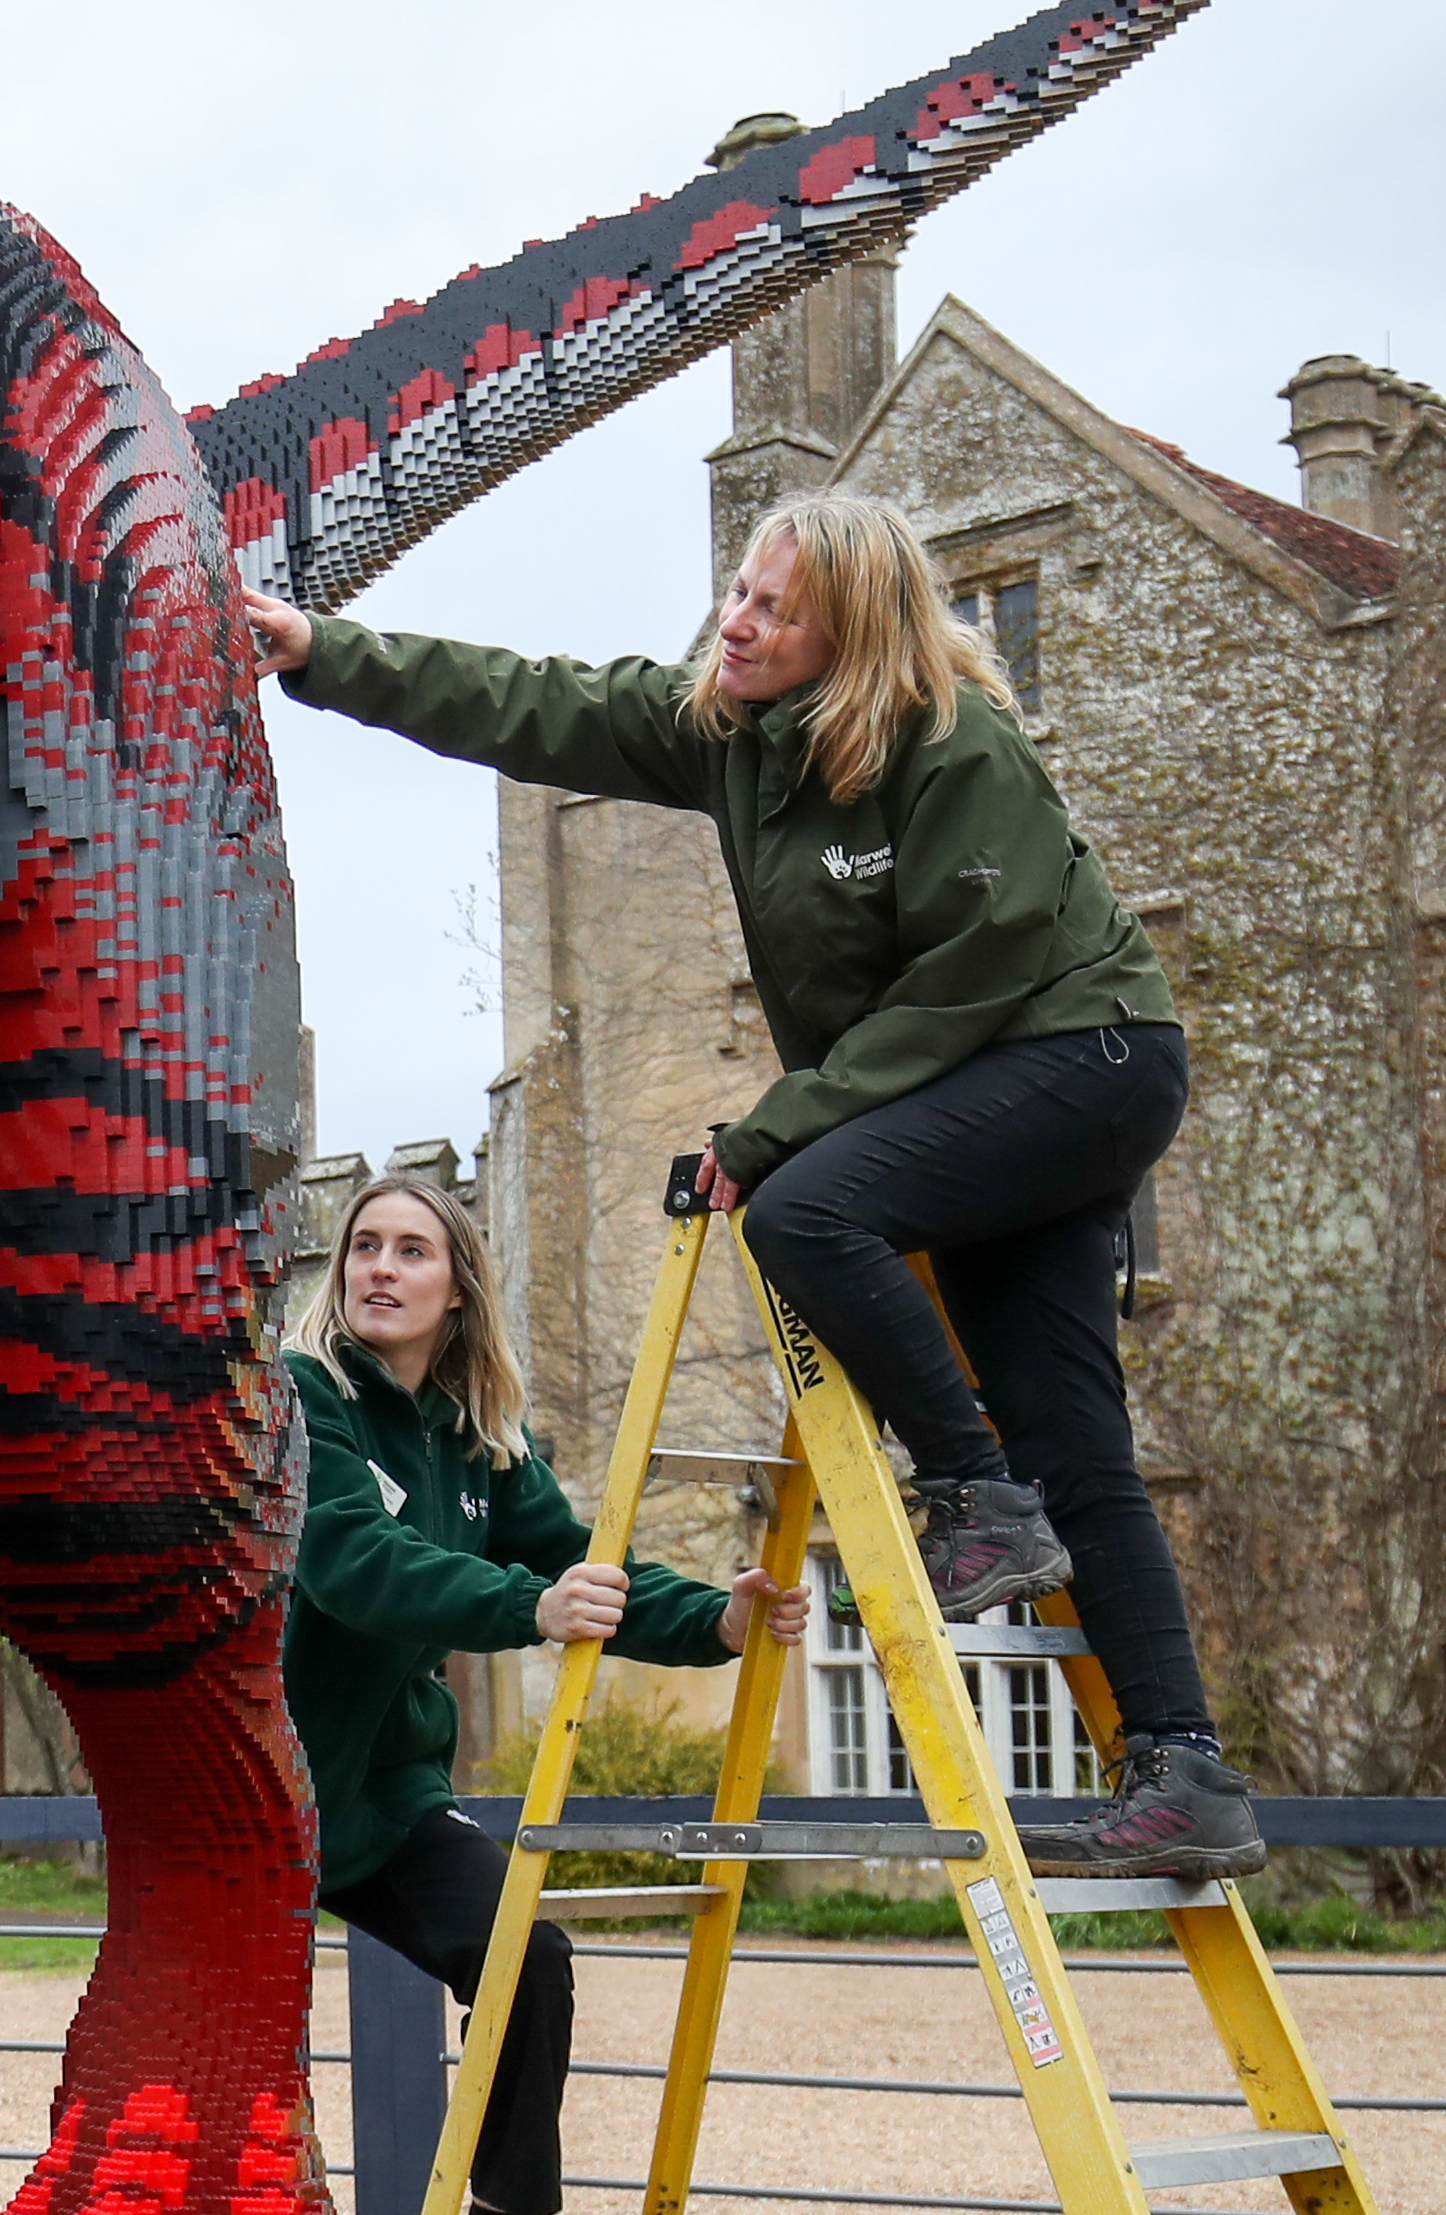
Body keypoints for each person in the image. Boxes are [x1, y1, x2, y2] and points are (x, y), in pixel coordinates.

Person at [238, 490, 1264, 1881]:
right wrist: (316, 649)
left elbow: (973, 976)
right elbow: (532, 703)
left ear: (852, 637)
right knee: (1074, 1430)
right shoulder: (727, 734)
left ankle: (974, 1496)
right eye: (739, 589)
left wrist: (783, 1119)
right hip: (970, 1095)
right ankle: (1185, 1770)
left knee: (803, 1206)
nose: (737, 621)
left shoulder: (955, 747)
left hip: (1084, 1057)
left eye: (776, 611)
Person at [285, 1171, 803, 2215]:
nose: (377, 1267)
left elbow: (582, 1562)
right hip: (262, 1787)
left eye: (410, 1250)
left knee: (527, 1952)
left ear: (456, 1287)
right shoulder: (303, 1398)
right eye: (362, 1246)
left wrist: (709, 1623)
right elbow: (348, 1564)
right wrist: (531, 1606)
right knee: (248, 2053)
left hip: (384, 1791)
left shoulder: (477, 1448)